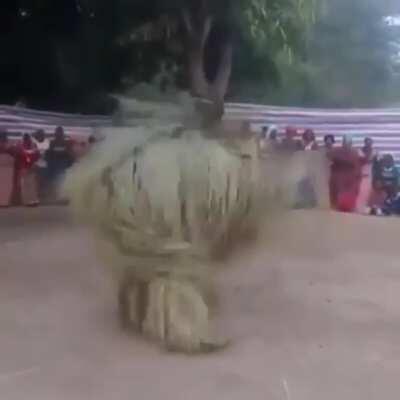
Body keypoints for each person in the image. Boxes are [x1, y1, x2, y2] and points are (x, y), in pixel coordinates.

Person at [329, 135, 362, 212]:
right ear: (343, 142)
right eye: (345, 142)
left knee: (348, 193)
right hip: (337, 176)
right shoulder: (336, 150)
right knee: (335, 193)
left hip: (349, 176)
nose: (346, 144)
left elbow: (356, 164)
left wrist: (357, 175)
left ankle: (347, 207)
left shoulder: (355, 152)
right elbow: (329, 157)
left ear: (351, 143)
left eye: (348, 143)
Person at [13, 134, 40, 206]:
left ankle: (33, 200)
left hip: (30, 167)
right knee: (26, 184)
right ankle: (28, 201)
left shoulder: (32, 145)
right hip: (24, 167)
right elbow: (17, 157)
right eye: (26, 139)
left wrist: (34, 163)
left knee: (31, 184)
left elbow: (37, 155)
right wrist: (20, 167)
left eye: (27, 139)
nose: (27, 140)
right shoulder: (20, 146)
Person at [355, 137, 378, 214]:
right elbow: (360, 162)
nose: (368, 144)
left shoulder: (375, 152)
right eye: (367, 143)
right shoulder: (359, 151)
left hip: (370, 174)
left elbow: (376, 164)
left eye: (370, 143)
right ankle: (358, 209)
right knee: (360, 192)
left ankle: (367, 209)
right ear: (364, 143)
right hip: (360, 174)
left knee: (368, 192)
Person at [32, 129, 50, 201]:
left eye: (41, 135)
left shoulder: (46, 142)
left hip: (43, 165)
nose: (39, 136)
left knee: (42, 181)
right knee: (37, 181)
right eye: (38, 135)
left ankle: (43, 196)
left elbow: (45, 154)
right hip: (37, 165)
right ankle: (38, 196)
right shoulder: (35, 143)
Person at [0, 132, 15, 206]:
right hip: (2, 166)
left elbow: (14, 153)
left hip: (8, 166)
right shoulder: (10, 145)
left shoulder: (10, 144)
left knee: (7, 184)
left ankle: (5, 202)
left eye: (3, 136)